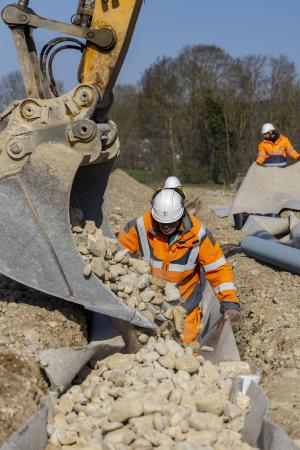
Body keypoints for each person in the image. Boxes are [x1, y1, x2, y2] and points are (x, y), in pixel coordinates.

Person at [118, 189, 240, 344]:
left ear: (181, 214)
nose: (166, 226)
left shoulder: (197, 234)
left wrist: (229, 301)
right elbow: (118, 255)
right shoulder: (140, 226)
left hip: (185, 306)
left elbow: (218, 268)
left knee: (187, 351)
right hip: (147, 304)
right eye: (162, 223)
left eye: (171, 222)